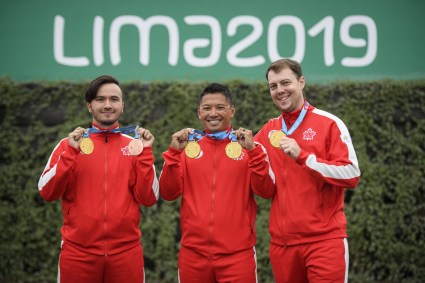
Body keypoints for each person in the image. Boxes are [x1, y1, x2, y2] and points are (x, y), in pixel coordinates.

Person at [38, 75, 159, 283]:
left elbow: (149, 198)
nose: (108, 105)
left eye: (114, 99)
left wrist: (146, 155)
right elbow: (47, 192)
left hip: (126, 254)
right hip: (77, 254)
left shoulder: (136, 146)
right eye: (100, 99)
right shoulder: (68, 145)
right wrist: (70, 155)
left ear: (122, 106)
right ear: (89, 106)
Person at [254, 59, 361, 283]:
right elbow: (242, 165)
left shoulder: (329, 123)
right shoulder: (269, 130)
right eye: (273, 86)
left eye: (285, 83)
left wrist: (304, 158)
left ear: (301, 82)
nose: (280, 91)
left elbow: (351, 173)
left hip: (324, 242)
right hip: (283, 246)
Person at [159, 83, 276, 283]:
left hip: (238, 256)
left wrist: (254, 152)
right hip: (193, 256)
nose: (213, 113)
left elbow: (266, 191)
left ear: (232, 111)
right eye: (207, 108)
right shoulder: (186, 148)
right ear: (199, 113)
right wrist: (173, 154)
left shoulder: (250, 148)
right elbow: (168, 193)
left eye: (220, 107)